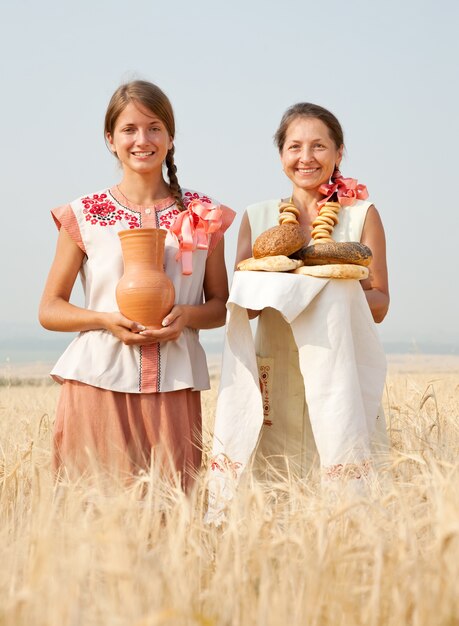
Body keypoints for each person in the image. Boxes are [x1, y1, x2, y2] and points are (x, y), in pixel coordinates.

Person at [39, 80, 235, 490]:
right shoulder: (84, 214)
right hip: (97, 383)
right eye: (128, 129)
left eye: (153, 128)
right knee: (95, 522)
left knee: (170, 521)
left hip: (175, 388)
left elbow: (220, 305)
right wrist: (104, 320)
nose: (141, 140)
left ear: (170, 136)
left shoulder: (205, 215)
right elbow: (50, 309)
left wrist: (186, 316)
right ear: (110, 139)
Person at [207, 103, 389, 513]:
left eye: (319, 146)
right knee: (276, 492)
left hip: (341, 365)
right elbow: (245, 305)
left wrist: (332, 290)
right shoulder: (258, 217)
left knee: (347, 495)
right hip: (277, 368)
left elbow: (379, 304)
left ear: (339, 153)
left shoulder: (362, 216)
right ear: (281, 156)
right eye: (294, 147)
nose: (306, 157)